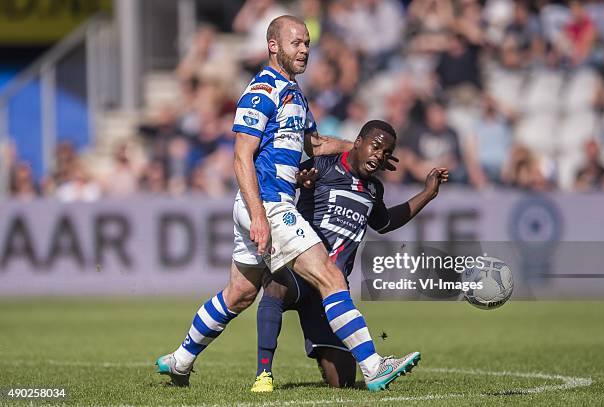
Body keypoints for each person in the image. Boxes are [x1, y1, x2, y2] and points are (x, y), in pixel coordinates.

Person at [155, 15, 419, 392]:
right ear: (273, 45)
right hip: (268, 205)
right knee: (330, 277)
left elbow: (315, 145)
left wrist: (357, 147)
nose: (305, 50)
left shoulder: (294, 93)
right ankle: (375, 366)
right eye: (296, 43)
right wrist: (261, 216)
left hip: (262, 206)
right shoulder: (262, 90)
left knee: (240, 294)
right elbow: (241, 157)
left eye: (308, 43)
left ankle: (180, 361)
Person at [251, 120, 448, 392]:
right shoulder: (322, 165)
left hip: (331, 292)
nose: (379, 155)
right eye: (376, 146)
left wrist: (428, 193)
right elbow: (281, 184)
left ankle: (324, 351)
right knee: (274, 286)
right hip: (302, 273)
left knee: (343, 383)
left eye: (386, 152)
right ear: (358, 142)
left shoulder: (374, 189)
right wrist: (298, 182)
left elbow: (385, 221)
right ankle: (263, 374)